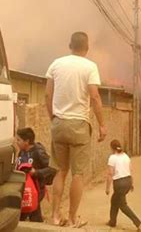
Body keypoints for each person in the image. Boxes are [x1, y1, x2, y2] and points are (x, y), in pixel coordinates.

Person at [45, 31, 107, 228]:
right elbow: (95, 97)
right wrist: (102, 125)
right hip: (79, 125)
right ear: (87, 48)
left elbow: (47, 94)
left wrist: (52, 117)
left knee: (60, 171)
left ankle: (55, 216)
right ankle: (72, 218)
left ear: (69, 45)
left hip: (59, 123)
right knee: (77, 174)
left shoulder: (56, 64)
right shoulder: (90, 67)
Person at [15, 127, 56, 222]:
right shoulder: (21, 152)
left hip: (37, 188)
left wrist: (36, 172)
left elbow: (53, 168)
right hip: (26, 188)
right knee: (33, 212)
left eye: (18, 140)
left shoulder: (38, 152)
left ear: (27, 141)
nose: (16, 142)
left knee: (28, 210)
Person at [105, 139, 141, 231]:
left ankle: (138, 223)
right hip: (127, 181)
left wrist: (107, 188)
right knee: (114, 200)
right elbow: (130, 170)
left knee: (123, 205)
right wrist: (132, 183)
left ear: (112, 148)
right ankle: (112, 221)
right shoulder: (126, 156)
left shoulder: (112, 158)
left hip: (119, 183)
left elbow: (110, 174)